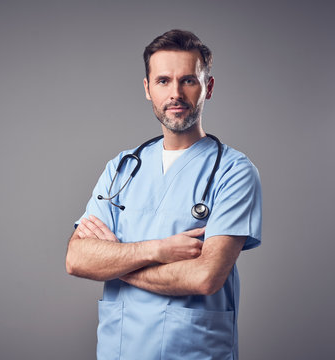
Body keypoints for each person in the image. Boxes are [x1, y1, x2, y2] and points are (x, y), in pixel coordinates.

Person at [65, 29, 262, 360]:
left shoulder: (233, 171)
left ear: (208, 88)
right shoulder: (123, 168)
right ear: (147, 89)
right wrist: (158, 249)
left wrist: (116, 261)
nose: (176, 93)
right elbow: (76, 259)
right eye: (163, 81)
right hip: (120, 350)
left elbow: (204, 277)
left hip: (194, 351)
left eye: (188, 80)